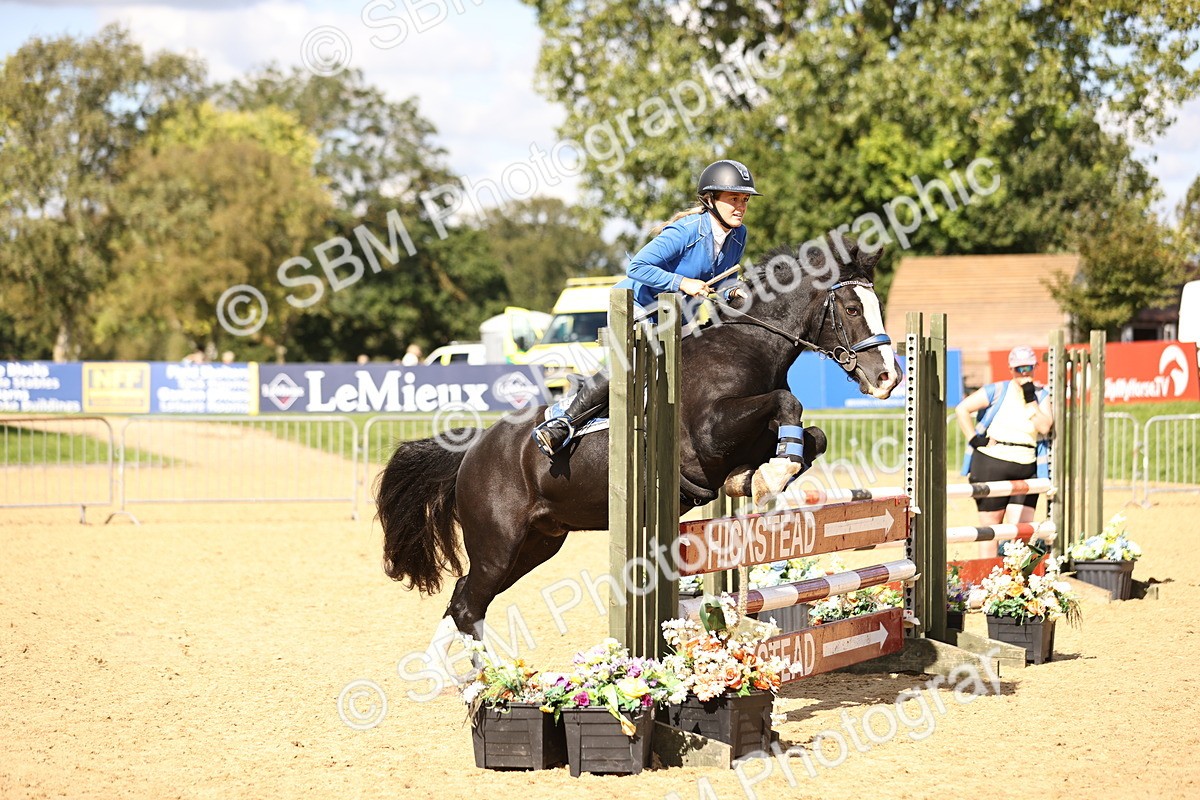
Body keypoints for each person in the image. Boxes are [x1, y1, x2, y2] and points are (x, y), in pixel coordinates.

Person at [530, 159, 760, 457]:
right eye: (733, 199)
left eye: (744, 200)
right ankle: (561, 421)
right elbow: (637, 266)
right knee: (631, 369)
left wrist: (735, 290)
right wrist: (682, 282)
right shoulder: (686, 231)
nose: (740, 206)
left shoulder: (739, 235)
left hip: (677, 315)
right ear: (711, 199)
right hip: (636, 306)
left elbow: (725, 279)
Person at [955, 345, 1054, 558]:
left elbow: (1045, 427)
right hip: (992, 462)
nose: (1024, 373)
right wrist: (974, 439)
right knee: (991, 528)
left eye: (1028, 367)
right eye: (1019, 369)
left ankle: (1016, 580)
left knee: (1023, 528)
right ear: (1011, 370)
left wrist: (1030, 401)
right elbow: (961, 408)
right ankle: (986, 580)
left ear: (1035, 367)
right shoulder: (997, 390)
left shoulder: (1041, 395)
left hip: (1026, 464)